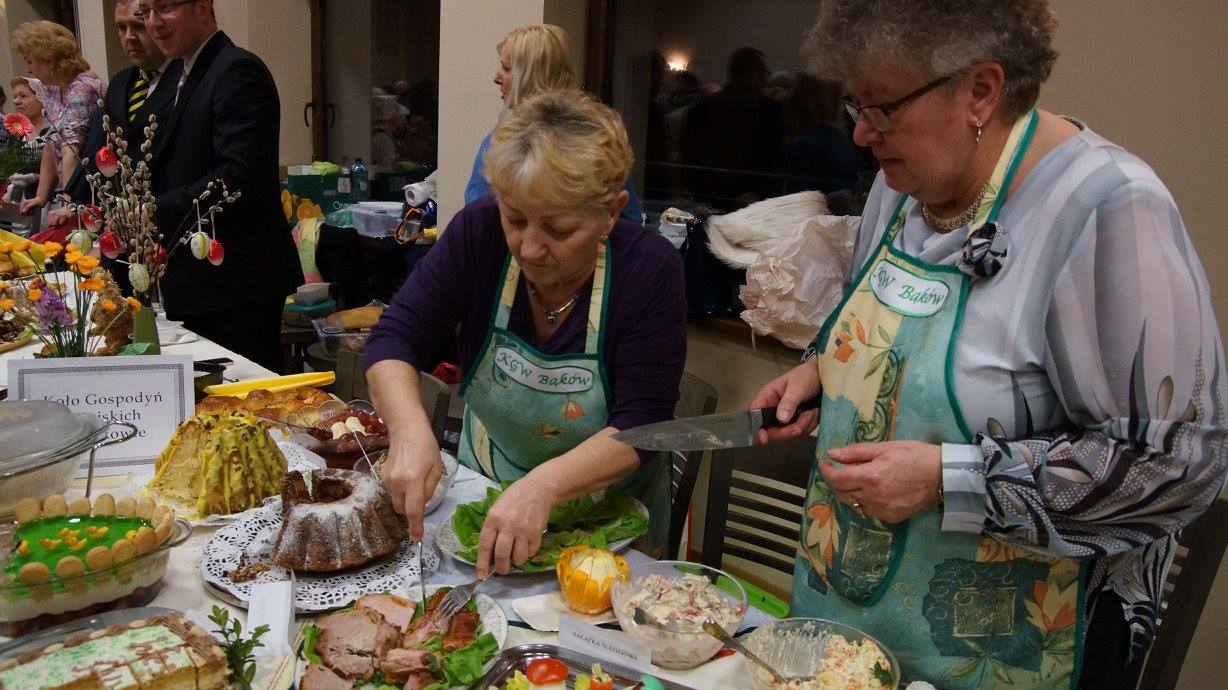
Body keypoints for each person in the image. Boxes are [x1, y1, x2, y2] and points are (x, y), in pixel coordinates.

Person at [753, 2, 1227, 688]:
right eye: (854, 105)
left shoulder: (1109, 210)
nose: (860, 132)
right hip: (850, 617)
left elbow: (1178, 463)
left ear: (980, 90)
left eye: (882, 107)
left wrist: (949, 480)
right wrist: (824, 370)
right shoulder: (902, 183)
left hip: (1018, 647)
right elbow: (896, 330)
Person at [366, 90, 685, 578]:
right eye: (515, 219)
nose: (530, 247)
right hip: (486, 493)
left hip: (610, 523)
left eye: (558, 230)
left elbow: (643, 423)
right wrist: (408, 430)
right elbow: (394, 338)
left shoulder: (650, 270)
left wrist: (543, 486)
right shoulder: (478, 232)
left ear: (611, 212)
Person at [139, 0, 301, 371]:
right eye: (145, 12)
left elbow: (238, 176)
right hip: (200, 279)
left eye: (165, 7)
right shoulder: (178, 73)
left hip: (237, 281)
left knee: (243, 396)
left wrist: (155, 211)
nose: (153, 23)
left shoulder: (236, 69)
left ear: (203, 7)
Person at [464, 24, 642, 223]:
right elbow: (630, 221)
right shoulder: (599, 138)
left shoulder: (501, 145)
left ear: (531, 76)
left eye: (506, 68)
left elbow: (477, 222)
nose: (496, 78)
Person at [50, 0, 178, 224]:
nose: (129, 36)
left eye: (138, 26)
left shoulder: (185, 80)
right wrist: (74, 200)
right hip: (122, 218)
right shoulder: (120, 82)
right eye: (121, 27)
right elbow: (99, 146)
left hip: (168, 211)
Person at [11, 20, 106, 216]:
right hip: (75, 191)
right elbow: (51, 143)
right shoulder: (55, 90)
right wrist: (41, 196)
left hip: (92, 193)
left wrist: (69, 203)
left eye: (30, 61)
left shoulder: (83, 88)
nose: (28, 69)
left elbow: (71, 149)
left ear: (49, 60)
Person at [679, 46, 783, 209]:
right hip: (756, 203)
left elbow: (690, 164)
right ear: (753, 73)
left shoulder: (700, 109)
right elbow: (774, 162)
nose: (765, 80)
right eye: (764, 74)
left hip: (709, 202)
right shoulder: (769, 110)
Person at [1, 77, 49, 205]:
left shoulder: (53, 132)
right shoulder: (18, 133)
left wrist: (36, 178)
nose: (15, 101)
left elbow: (65, 176)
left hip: (46, 203)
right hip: (17, 202)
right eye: (15, 96)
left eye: (23, 96)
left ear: (41, 98)